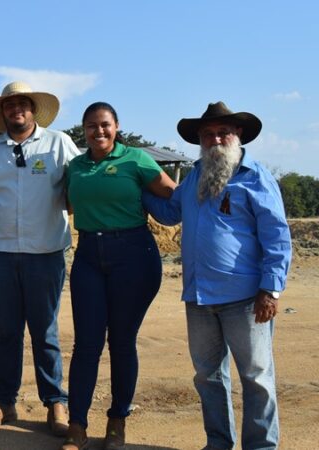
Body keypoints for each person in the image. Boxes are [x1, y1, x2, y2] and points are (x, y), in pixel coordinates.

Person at [143, 102, 291, 450]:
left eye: (223, 132)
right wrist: (137, 187)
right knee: (208, 377)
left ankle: (261, 447)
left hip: (246, 299)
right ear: (200, 140)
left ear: (238, 135)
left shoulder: (255, 177)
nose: (215, 139)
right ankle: (218, 443)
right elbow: (169, 212)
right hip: (199, 298)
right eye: (208, 134)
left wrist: (270, 290)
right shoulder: (195, 175)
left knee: (256, 378)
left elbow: (277, 236)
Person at [0, 81, 80, 435]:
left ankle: (55, 403)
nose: (16, 110)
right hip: (0, 254)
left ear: (33, 109)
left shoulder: (58, 143)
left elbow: (80, 186)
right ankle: (4, 402)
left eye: (23, 104)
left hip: (45, 254)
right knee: (8, 332)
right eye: (9, 105)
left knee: (45, 332)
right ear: (2, 112)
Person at [62, 102, 176, 450]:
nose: (99, 132)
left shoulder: (136, 160)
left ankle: (116, 422)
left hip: (134, 255)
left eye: (105, 125)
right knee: (86, 344)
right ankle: (77, 425)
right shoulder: (75, 167)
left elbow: (174, 195)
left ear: (117, 126)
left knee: (122, 342)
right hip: (88, 257)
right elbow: (67, 204)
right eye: (91, 126)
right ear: (83, 130)